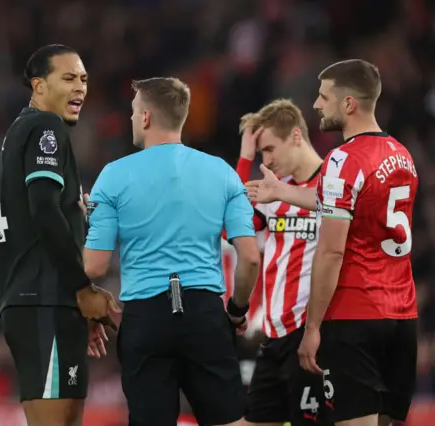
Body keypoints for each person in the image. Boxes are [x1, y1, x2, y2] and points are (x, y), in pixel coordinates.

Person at [246, 59, 418, 426]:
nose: (316, 105)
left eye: (324, 97)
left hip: (356, 315)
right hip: (402, 315)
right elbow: (346, 202)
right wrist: (280, 192)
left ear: (348, 104)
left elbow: (332, 250)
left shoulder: (342, 159)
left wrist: (312, 329)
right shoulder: (402, 154)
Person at [83, 77, 261, 426]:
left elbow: (94, 266)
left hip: (145, 317)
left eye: (134, 112)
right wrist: (237, 310)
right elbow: (250, 257)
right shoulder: (223, 173)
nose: (132, 119)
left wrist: (86, 223)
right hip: (205, 312)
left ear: (146, 117)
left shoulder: (113, 176)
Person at [0, 44, 119, 426]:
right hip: (41, 299)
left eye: (83, 79)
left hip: (50, 300)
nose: (80, 87)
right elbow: (45, 212)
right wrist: (82, 288)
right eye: (68, 78)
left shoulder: (25, 130)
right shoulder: (44, 127)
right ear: (39, 86)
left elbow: (52, 210)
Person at [235, 100, 332, 426]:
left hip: (313, 335)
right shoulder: (272, 193)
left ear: (295, 135)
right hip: (274, 336)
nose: (267, 161)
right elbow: (228, 227)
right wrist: (245, 155)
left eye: (269, 149)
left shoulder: (334, 185)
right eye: (261, 153)